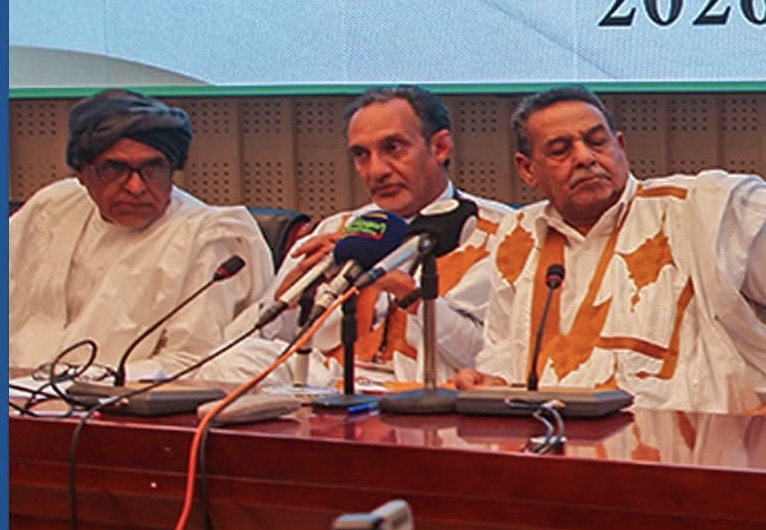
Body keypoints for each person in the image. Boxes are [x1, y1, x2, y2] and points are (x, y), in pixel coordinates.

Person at [453, 86, 766, 412]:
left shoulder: (702, 210)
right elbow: (504, 350)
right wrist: (492, 383)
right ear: (528, 169)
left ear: (620, 146)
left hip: (706, 442)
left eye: (597, 142)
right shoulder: (519, 235)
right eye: (561, 151)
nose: (585, 158)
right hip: (554, 441)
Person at [10, 90, 274, 380]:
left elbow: (192, 363)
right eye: (114, 169)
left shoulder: (209, 236)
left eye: (153, 168)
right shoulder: (53, 208)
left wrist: (82, 384)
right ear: (82, 175)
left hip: (122, 398)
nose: (135, 187)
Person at [261, 86, 509, 388]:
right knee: (237, 360)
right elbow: (270, 339)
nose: (376, 170)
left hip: (432, 393)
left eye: (393, 148)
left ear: (440, 147)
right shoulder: (337, 229)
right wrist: (293, 297)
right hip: (330, 388)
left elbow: (496, 359)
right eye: (361, 155)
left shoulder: (502, 235)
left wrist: (413, 297)